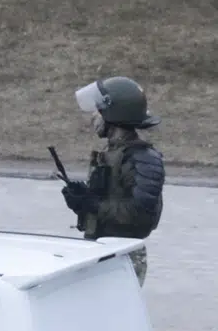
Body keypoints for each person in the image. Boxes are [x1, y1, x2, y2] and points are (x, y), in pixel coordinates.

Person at [62, 76, 166, 284]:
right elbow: (111, 200)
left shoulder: (143, 159)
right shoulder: (113, 152)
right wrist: (82, 200)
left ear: (113, 114)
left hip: (123, 258)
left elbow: (140, 214)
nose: (93, 117)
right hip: (99, 251)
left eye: (98, 111)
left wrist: (93, 204)